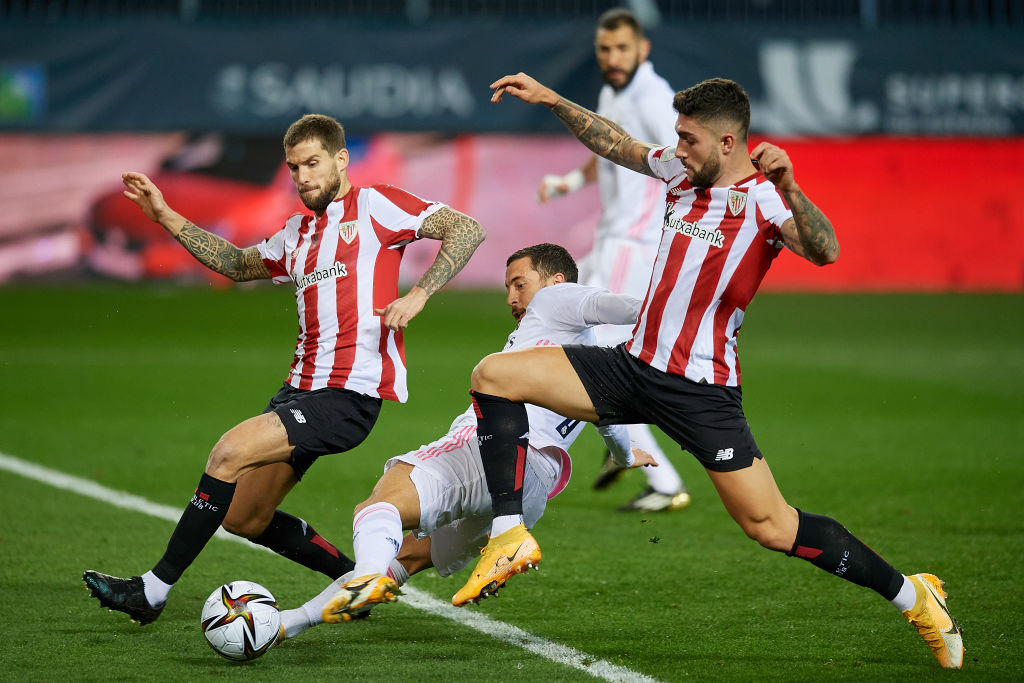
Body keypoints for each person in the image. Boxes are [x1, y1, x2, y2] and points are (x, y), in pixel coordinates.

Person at [453, 74, 964, 670]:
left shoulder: (766, 201)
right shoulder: (679, 171)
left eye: (688, 139)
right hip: (633, 365)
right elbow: (617, 145)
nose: (676, 147)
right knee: (495, 374)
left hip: (701, 390)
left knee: (772, 526)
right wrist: (552, 101)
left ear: (727, 143)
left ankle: (913, 595)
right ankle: (509, 535)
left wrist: (793, 188)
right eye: (677, 137)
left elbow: (826, 250)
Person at [83, 113, 486, 626]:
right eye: (294, 167)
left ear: (342, 160)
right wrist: (164, 215)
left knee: (227, 452)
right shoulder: (296, 233)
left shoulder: (376, 205)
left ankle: (152, 591)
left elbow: (466, 228)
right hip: (297, 393)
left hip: (347, 395)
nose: (302, 177)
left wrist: (420, 293)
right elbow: (233, 263)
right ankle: (355, 581)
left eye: (313, 163)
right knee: (244, 517)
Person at [274, 243, 655, 637]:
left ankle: (367, 576)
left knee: (382, 502)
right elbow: (609, 423)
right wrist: (625, 458)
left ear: (555, 280)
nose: (511, 297)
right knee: (406, 556)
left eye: (519, 284)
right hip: (532, 490)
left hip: (492, 453)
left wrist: (671, 313)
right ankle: (287, 624)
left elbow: (621, 305)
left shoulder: (556, 299)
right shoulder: (596, 359)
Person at [538, 8, 689, 512]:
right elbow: (608, 144)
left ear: (642, 49)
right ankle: (620, 440)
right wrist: (571, 181)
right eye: (605, 49)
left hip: (637, 243)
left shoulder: (653, 97)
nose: (613, 58)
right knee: (574, 329)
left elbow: (685, 161)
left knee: (599, 353)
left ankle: (650, 467)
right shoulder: (613, 93)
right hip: (612, 239)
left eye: (622, 48)